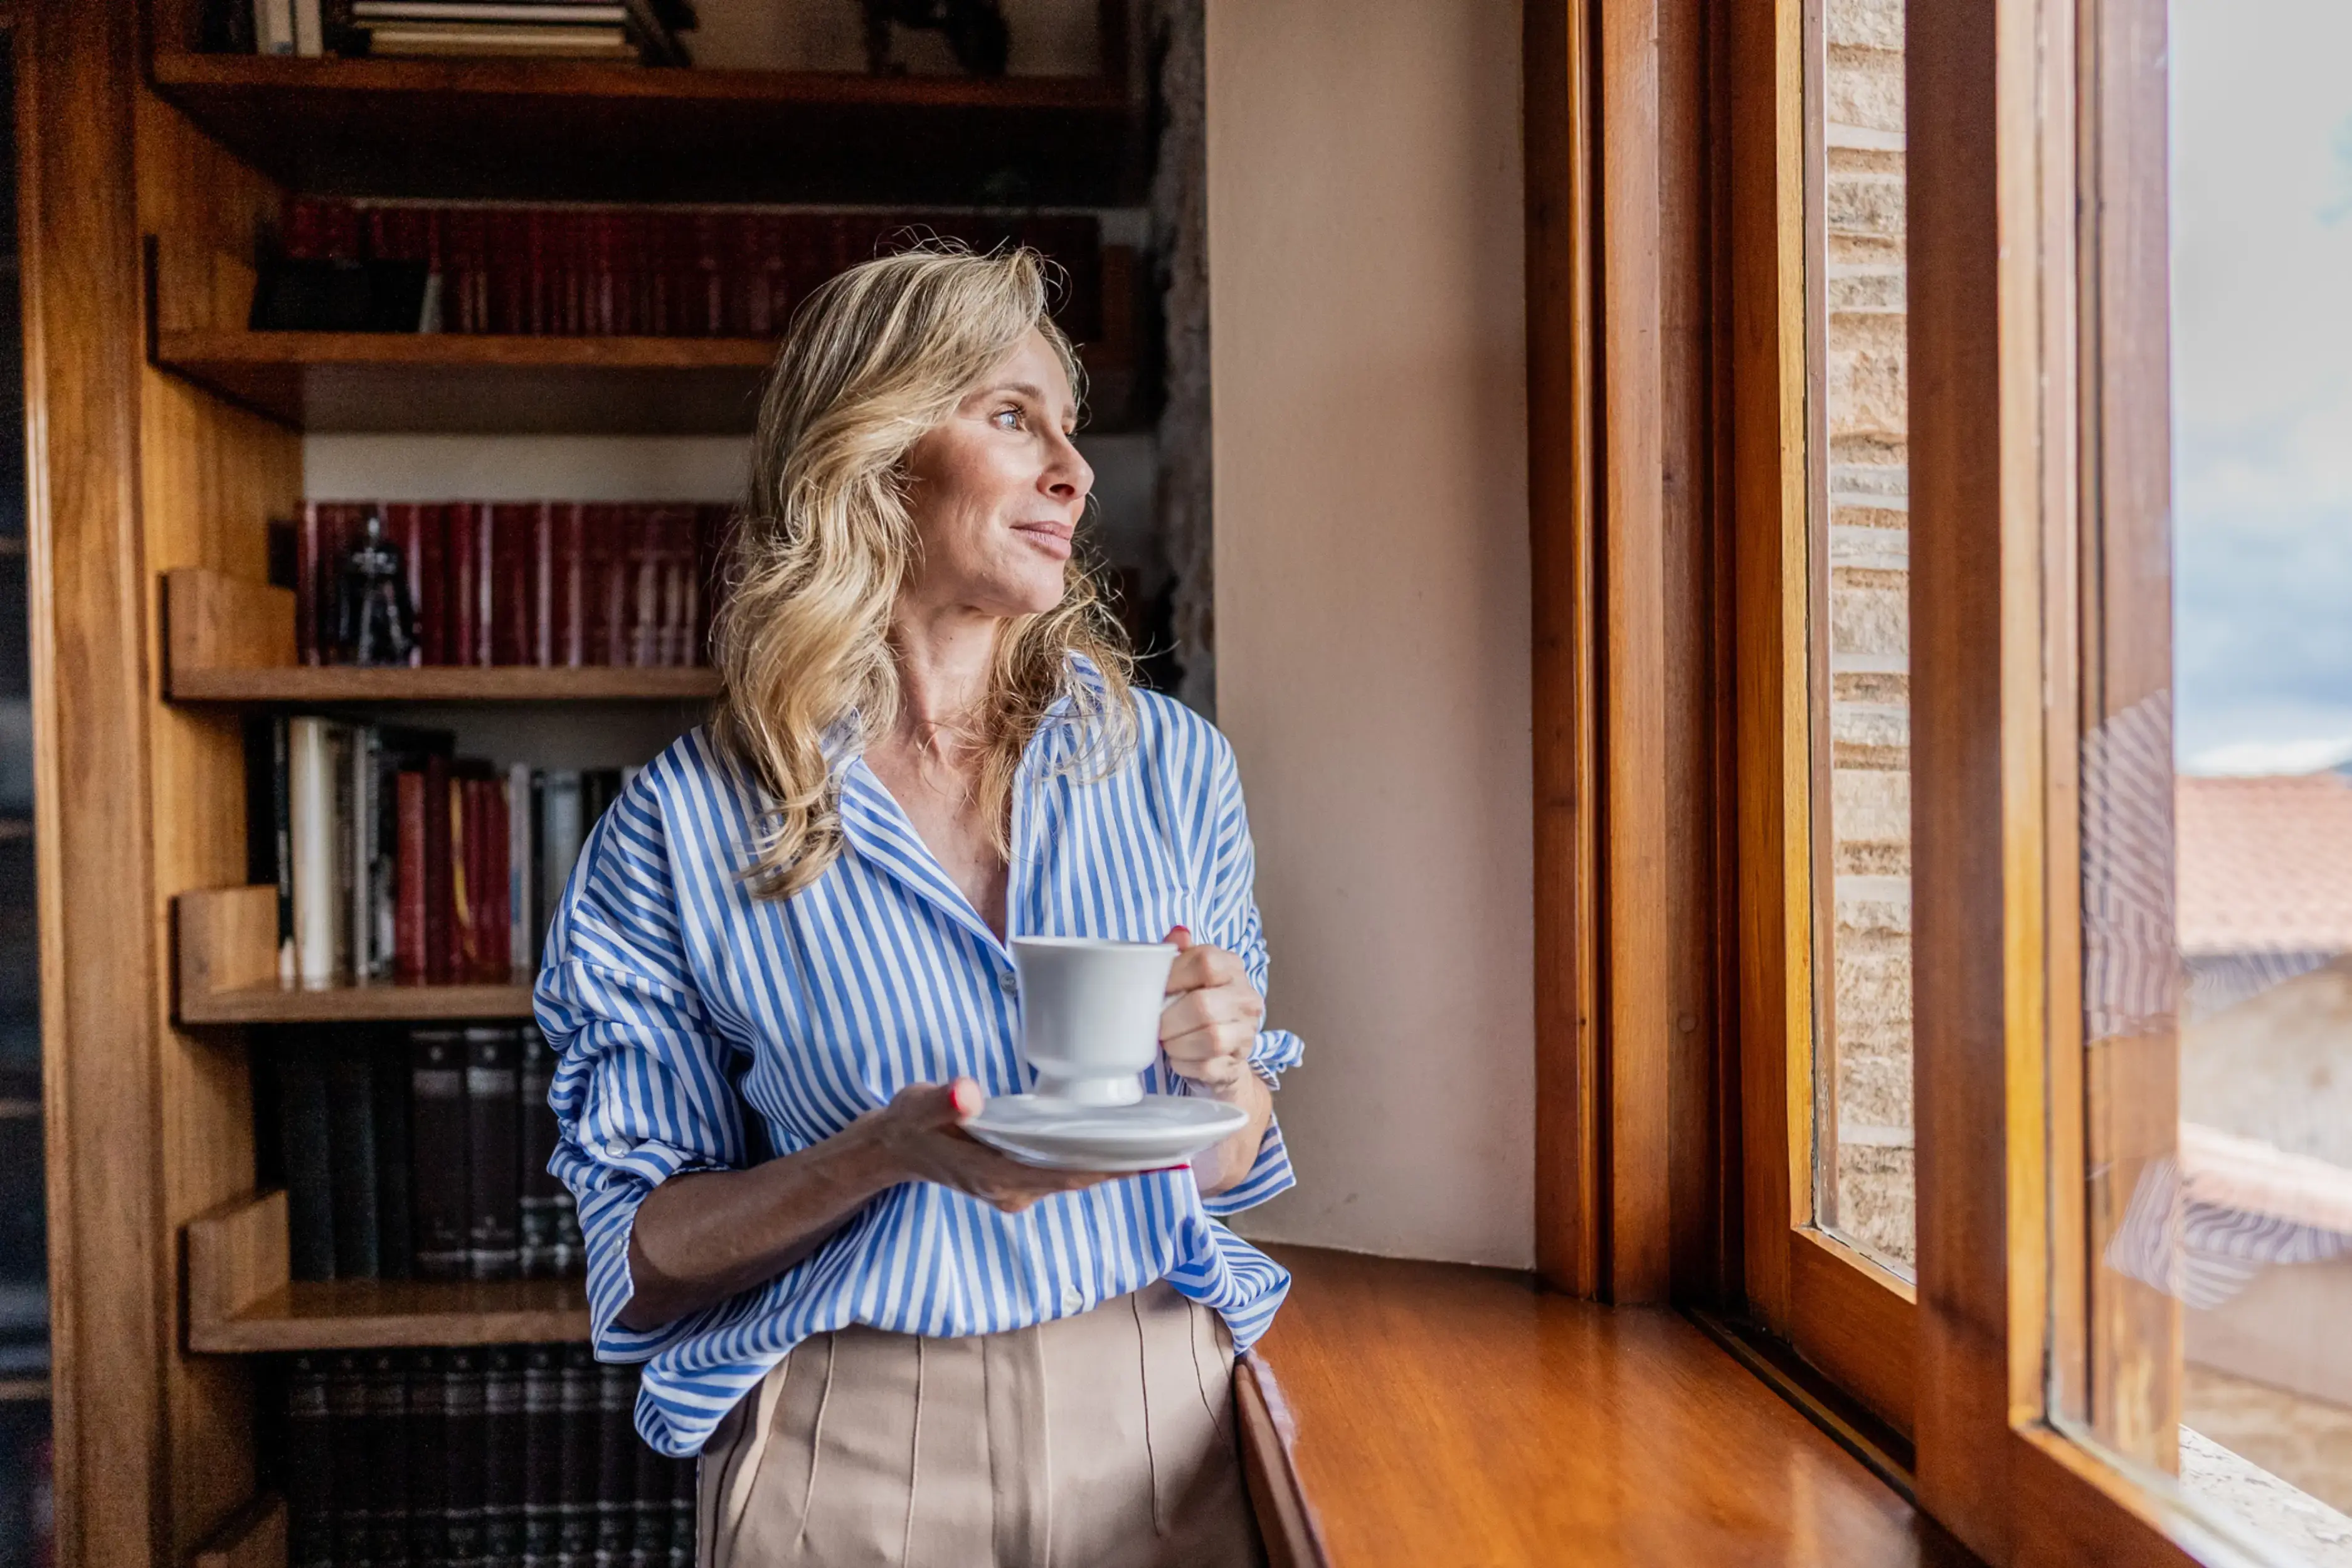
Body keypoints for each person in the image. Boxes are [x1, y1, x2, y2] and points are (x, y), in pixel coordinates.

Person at [537, 245, 1301, 1567]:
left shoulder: (1175, 766)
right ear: (873, 451)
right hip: (852, 1445)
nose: (1075, 468)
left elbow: (1227, 1155)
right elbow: (645, 1249)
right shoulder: (683, 826)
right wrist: (878, 1152)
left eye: (1068, 424)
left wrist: (1221, 1065)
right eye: (1014, 417)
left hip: (1160, 1409)